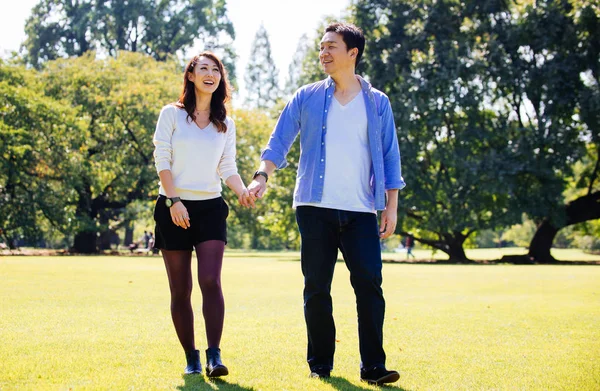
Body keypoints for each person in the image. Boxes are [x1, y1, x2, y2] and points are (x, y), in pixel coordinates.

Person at [248, 22, 404, 386]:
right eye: (321, 46)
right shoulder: (307, 96)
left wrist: (390, 206)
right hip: (313, 207)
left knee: (369, 286)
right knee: (317, 287)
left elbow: (390, 155)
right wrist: (261, 175)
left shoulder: (377, 102)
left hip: (361, 209)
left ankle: (373, 367)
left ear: (353, 53)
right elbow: (278, 140)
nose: (324, 52)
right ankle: (320, 365)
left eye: (332, 46)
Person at [152, 51, 253, 377]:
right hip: (173, 207)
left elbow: (227, 167)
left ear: (221, 79)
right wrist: (175, 200)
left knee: (210, 280)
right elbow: (162, 160)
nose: (210, 74)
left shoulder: (226, 124)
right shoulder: (172, 114)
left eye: (216, 70)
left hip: (210, 207)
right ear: (191, 76)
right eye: (203, 69)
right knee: (180, 290)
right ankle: (191, 356)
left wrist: (242, 191)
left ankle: (214, 355)